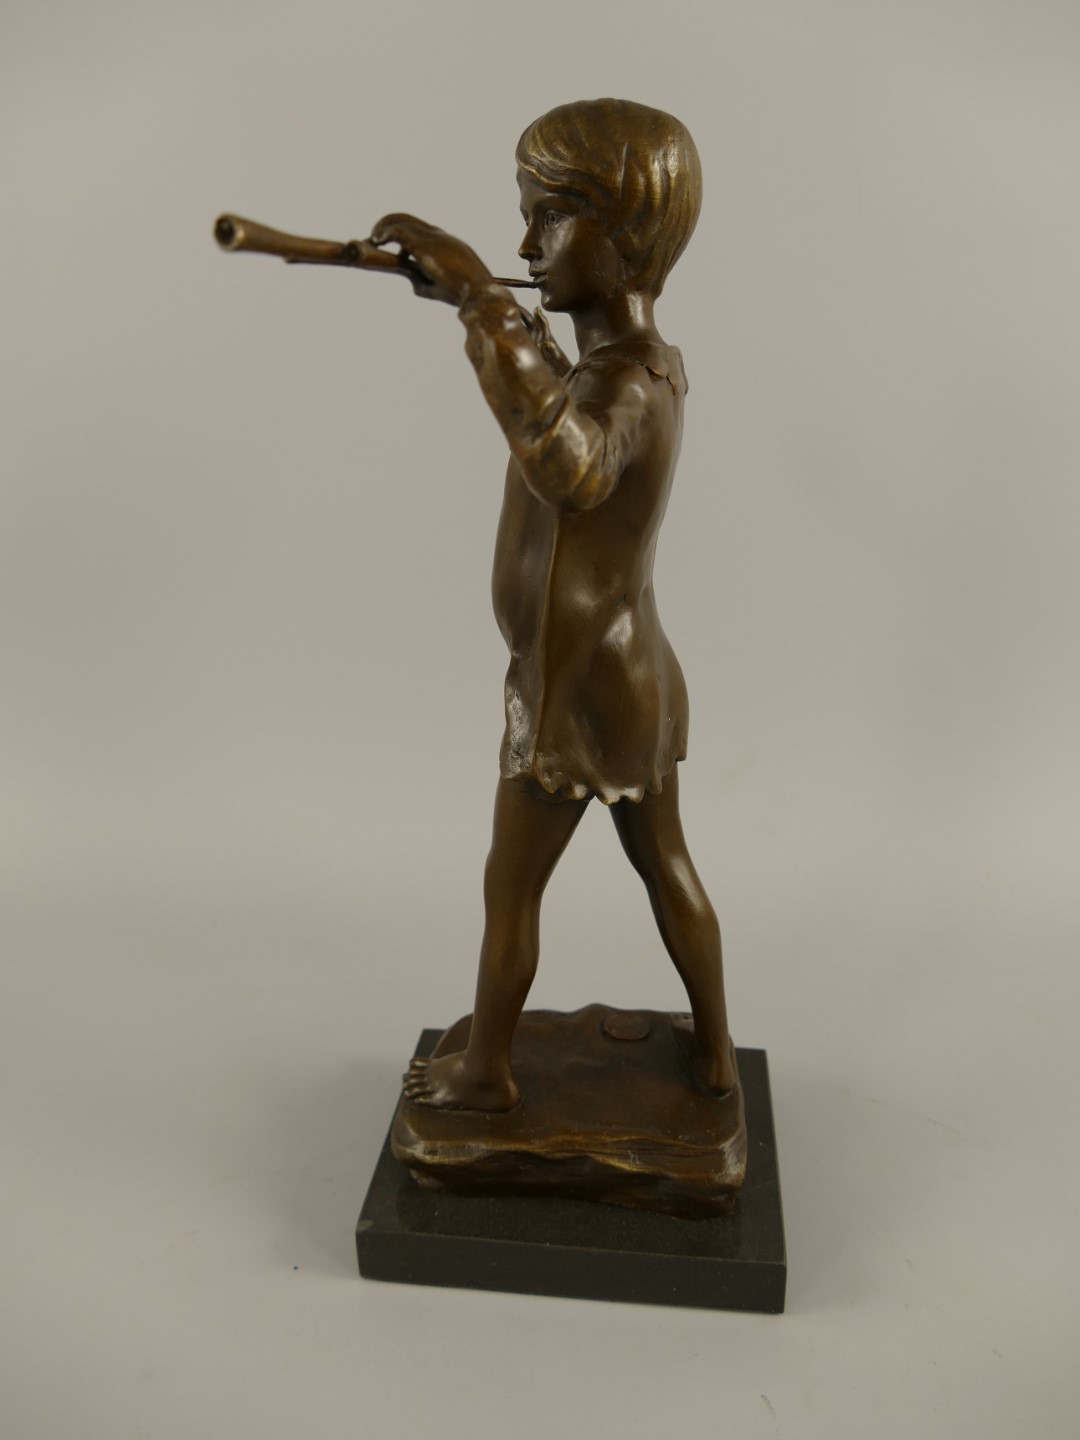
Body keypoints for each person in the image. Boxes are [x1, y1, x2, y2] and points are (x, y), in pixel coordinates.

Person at [373, 98, 736, 1110]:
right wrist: (502, 313)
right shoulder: (633, 367)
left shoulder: (627, 390)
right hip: (630, 675)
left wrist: (486, 309)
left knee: (512, 883)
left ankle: (486, 1071)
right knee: (665, 865)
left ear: (622, 243)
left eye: (549, 216)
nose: (527, 243)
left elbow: (568, 466)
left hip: (575, 688)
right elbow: (563, 404)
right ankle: (713, 1055)